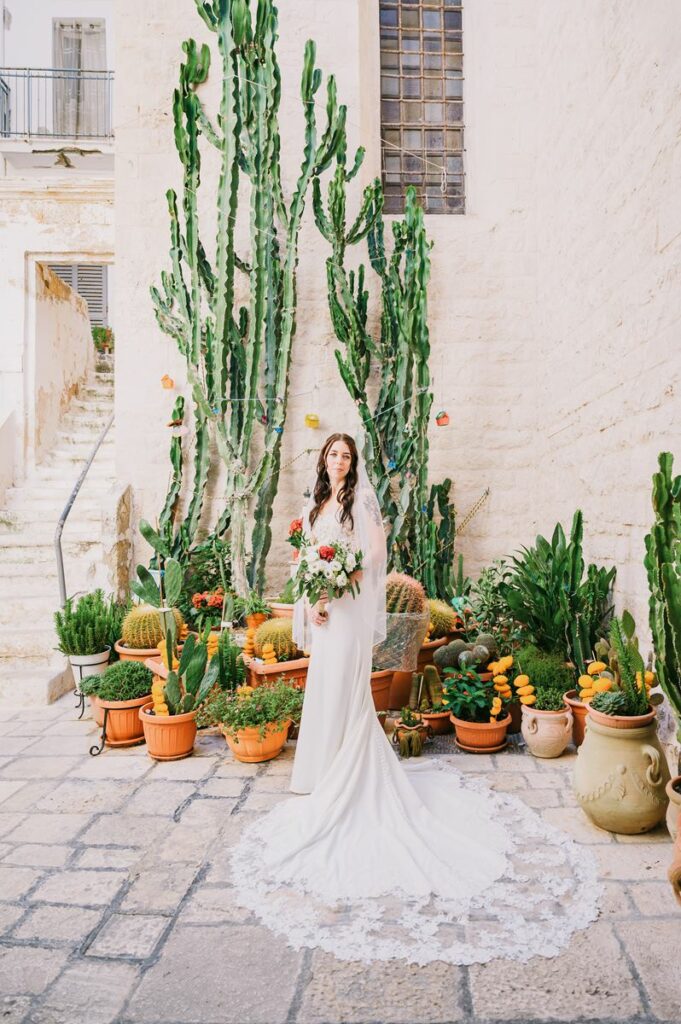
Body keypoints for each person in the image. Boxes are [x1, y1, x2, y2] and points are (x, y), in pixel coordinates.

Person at [228, 433, 601, 966]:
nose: (338, 462)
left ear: (353, 464)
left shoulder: (359, 503)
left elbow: (374, 556)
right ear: (323, 462)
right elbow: (306, 559)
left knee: (348, 687)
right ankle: (319, 771)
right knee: (324, 686)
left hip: (351, 609)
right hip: (324, 611)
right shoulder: (315, 506)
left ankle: (347, 768)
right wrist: (313, 598)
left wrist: (340, 583)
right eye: (332, 455)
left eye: (346, 456)